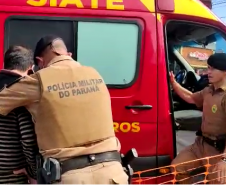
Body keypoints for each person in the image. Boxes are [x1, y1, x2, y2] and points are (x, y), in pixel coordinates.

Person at [0, 35, 128, 184]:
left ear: (40, 62)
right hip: (113, 173)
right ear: (69, 55)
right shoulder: (95, 74)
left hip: (72, 177)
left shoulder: (39, 80)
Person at [170, 53, 226, 184]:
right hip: (200, 145)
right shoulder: (208, 90)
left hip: (218, 151)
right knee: (177, 168)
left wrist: (224, 160)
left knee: (217, 181)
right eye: (208, 68)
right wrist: (174, 83)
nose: (208, 72)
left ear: (224, 71)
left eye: (213, 69)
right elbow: (190, 97)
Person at [0, 46, 38, 184]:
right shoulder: (20, 92)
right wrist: (32, 171)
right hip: (11, 175)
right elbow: (27, 139)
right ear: (30, 68)